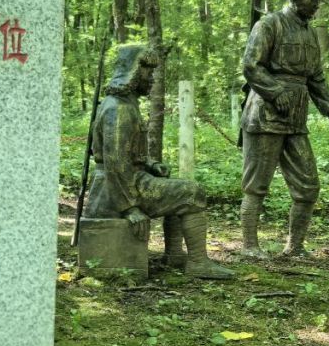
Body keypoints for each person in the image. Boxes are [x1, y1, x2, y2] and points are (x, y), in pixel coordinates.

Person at [85, 44, 233, 279]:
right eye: (148, 71)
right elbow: (116, 162)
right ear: (133, 73)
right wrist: (129, 208)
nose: (152, 78)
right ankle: (198, 262)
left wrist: (150, 164)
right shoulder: (119, 109)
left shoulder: (124, 104)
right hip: (117, 190)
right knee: (192, 192)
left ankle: (174, 255)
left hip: (126, 181)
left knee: (178, 191)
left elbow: (124, 154)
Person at [239, 0, 329, 258]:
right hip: (264, 115)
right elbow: (251, 65)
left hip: (296, 118)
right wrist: (275, 91)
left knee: (308, 186)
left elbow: (316, 77)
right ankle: (250, 245)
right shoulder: (269, 24)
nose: (317, 3)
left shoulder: (310, 33)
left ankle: (295, 246)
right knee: (256, 185)